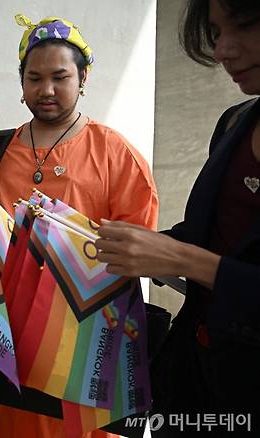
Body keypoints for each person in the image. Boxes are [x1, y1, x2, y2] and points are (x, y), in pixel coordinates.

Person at [0, 15, 159, 438]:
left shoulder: (114, 152)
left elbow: (140, 244)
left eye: (60, 77)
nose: (46, 90)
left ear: (83, 78)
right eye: (34, 77)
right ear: (21, 83)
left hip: (81, 338)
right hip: (6, 330)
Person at [95, 1, 260, 436]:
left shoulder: (114, 149)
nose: (224, 49)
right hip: (195, 377)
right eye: (215, 31)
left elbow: (195, 255)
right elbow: (210, 235)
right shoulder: (235, 123)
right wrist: (125, 246)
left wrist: (180, 258)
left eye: (243, 25)